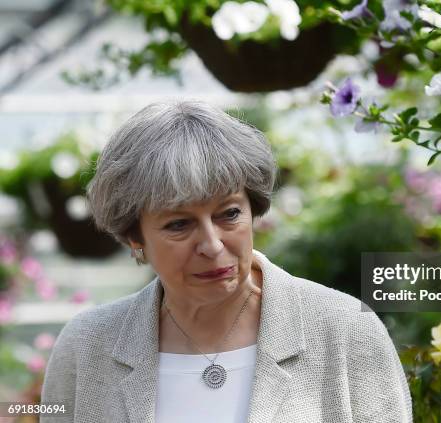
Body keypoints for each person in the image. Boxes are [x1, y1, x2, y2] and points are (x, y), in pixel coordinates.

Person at [40, 100, 413, 422]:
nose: (213, 245)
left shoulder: (345, 330)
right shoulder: (87, 345)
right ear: (135, 238)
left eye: (229, 214)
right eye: (179, 224)